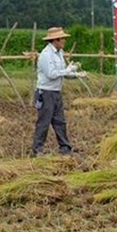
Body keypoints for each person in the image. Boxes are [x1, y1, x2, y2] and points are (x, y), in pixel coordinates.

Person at [31, 27, 87, 156]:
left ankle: (65, 148)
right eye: (62, 39)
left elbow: (62, 74)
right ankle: (37, 150)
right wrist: (67, 71)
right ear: (55, 40)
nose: (64, 41)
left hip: (56, 91)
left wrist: (76, 74)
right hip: (46, 92)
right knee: (44, 122)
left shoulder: (59, 54)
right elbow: (51, 74)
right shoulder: (46, 55)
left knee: (60, 121)